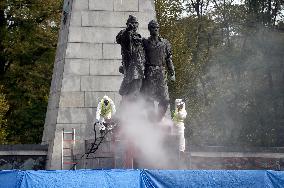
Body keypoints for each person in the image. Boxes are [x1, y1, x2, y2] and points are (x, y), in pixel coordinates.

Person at [142, 20, 175, 121]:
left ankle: (158, 120)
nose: (155, 29)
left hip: (161, 72)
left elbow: (168, 59)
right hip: (149, 73)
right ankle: (152, 121)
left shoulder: (165, 43)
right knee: (149, 99)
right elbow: (137, 56)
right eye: (153, 27)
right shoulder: (145, 43)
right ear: (149, 29)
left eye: (157, 27)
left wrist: (172, 72)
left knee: (165, 100)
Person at [116, 15, 146, 101]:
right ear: (128, 24)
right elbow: (118, 39)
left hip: (139, 68)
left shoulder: (138, 37)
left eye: (136, 23)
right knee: (128, 91)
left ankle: (131, 111)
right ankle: (127, 111)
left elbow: (142, 53)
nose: (134, 25)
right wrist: (127, 30)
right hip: (132, 68)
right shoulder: (124, 33)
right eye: (132, 23)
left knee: (135, 91)